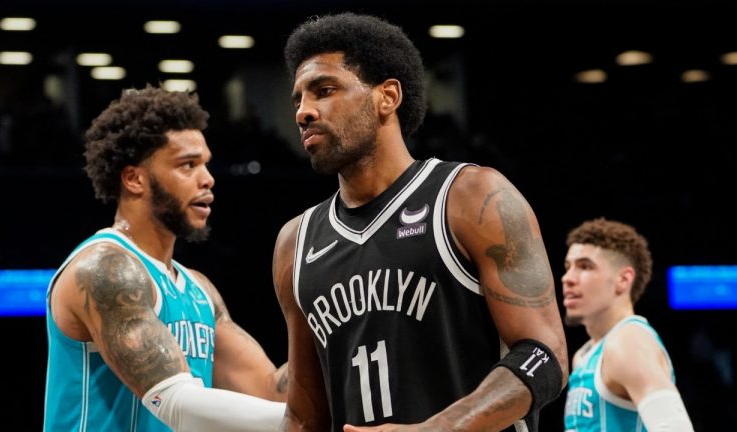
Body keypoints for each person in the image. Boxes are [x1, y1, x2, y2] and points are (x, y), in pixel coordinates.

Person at [272, 13, 568, 431]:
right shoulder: (295, 242)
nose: (303, 112)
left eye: (324, 90)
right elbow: (304, 416)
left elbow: (545, 355)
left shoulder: (470, 196)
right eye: (297, 99)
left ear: (387, 97)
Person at [43, 85, 287, 431]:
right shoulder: (104, 270)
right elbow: (177, 402)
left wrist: (341, 342)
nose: (208, 179)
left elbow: (268, 390)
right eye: (187, 165)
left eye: (205, 164)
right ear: (134, 178)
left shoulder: (198, 289)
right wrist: (302, 424)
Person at [561, 218, 694, 431]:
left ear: (623, 279)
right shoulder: (584, 355)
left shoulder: (628, 343)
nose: (567, 278)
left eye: (585, 267)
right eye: (568, 267)